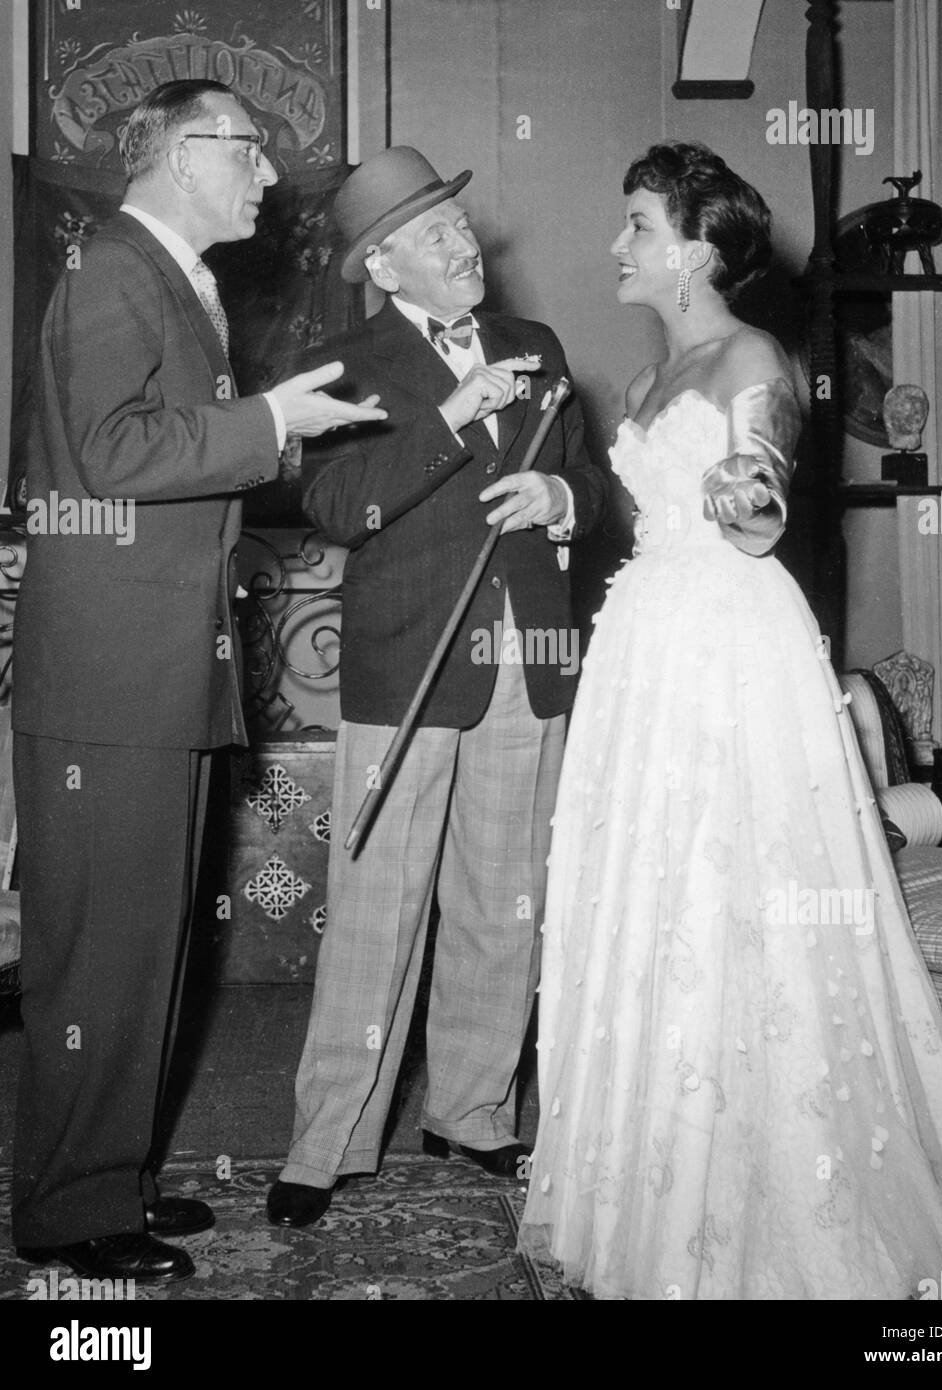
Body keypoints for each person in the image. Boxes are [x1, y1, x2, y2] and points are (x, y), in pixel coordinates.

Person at [518, 142, 942, 1299]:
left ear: (695, 250)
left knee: (728, 891)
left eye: (637, 227)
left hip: (726, 652)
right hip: (642, 649)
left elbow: (759, 499)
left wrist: (744, 492)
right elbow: (643, 512)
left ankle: (764, 1190)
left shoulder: (754, 355)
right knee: (649, 892)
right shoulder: (653, 373)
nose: (618, 246)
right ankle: (653, 1183)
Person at [11, 79, 385, 1285]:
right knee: (100, 950)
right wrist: (268, 417)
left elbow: (164, 458)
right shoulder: (119, 266)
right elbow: (112, 452)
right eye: (248, 154)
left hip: (156, 665)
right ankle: (69, 1211)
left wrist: (283, 429)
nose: (267, 179)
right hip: (112, 679)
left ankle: (113, 1176)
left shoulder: (164, 272)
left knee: (147, 941)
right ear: (180, 154)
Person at [266, 146, 606, 1229]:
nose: (468, 245)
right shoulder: (346, 362)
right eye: (438, 235)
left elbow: (594, 491)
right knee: (378, 907)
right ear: (384, 263)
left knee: (504, 899)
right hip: (407, 663)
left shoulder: (537, 346)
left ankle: (471, 1111)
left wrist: (558, 492)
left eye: (459, 227)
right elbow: (333, 503)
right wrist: (450, 418)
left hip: (528, 659)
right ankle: (329, 1139)